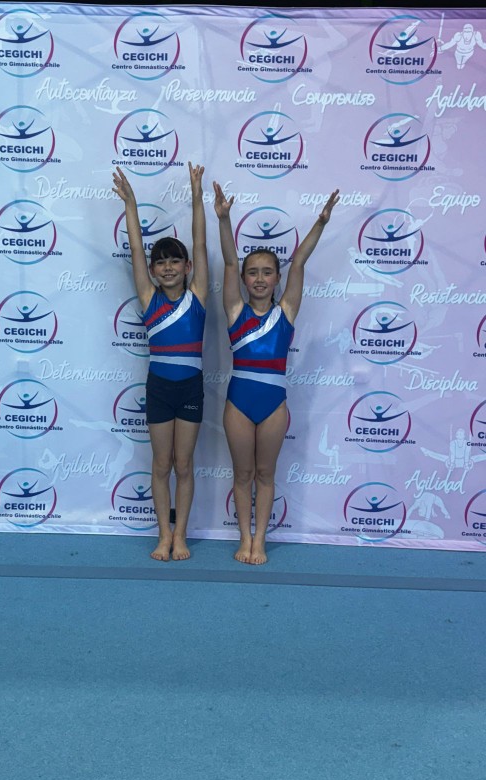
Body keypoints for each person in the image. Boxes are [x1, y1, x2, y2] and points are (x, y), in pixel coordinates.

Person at [213, 182, 339, 564]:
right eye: (253, 273)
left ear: (277, 279)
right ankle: (243, 538)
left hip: (273, 405)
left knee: (266, 474)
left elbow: (298, 262)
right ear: (244, 279)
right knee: (242, 474)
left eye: (267, 272)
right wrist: (224, 220)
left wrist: (320, 223)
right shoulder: (235, 310)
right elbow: (229, 262)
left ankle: (260, 540)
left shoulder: (286, 312)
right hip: (238, 403)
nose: (259, 278)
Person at [112, 163, 208, 561]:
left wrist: (197, 197)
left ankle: (180, 534)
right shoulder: (149, 298)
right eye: (161, 262)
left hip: (190, 389)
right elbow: (136, 248)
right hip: (159, 388)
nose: (168, 267)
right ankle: (163, 534)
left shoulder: (197, 296)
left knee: (184, 465)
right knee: (161, 464)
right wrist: (131, 205)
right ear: (152, 271)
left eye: (175, 261)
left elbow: (200, 243)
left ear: (187, 268)